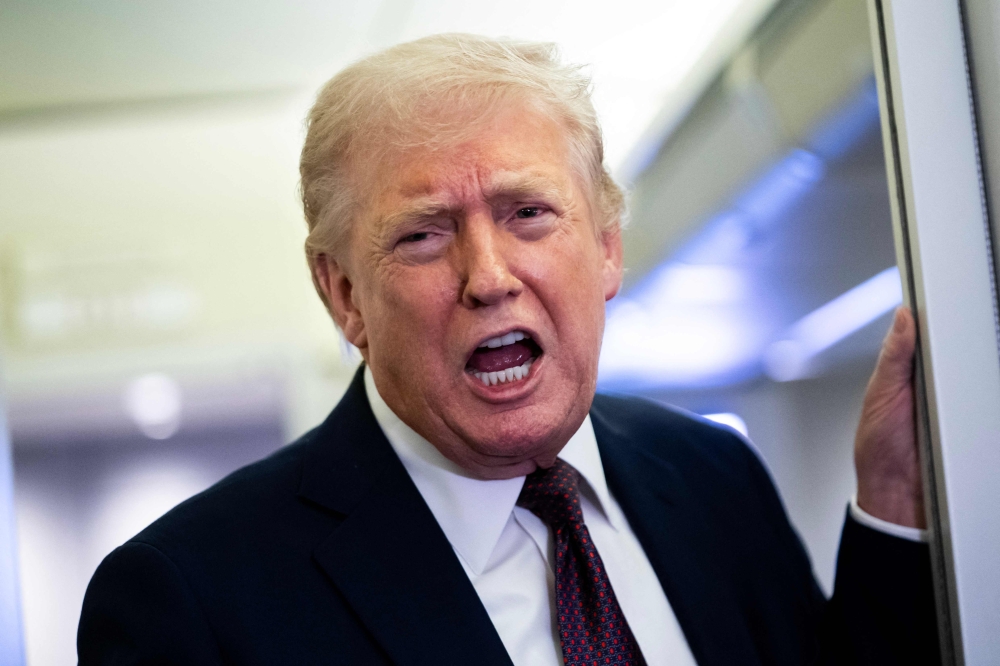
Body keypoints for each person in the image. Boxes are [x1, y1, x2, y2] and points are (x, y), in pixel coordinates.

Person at [77, 34, 938, 665]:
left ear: (605, 245)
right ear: (343, 293)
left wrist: (895, 502)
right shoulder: (188, 601)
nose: (487, 277)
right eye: (421, 235)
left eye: (528, 213)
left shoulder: (714, 475)